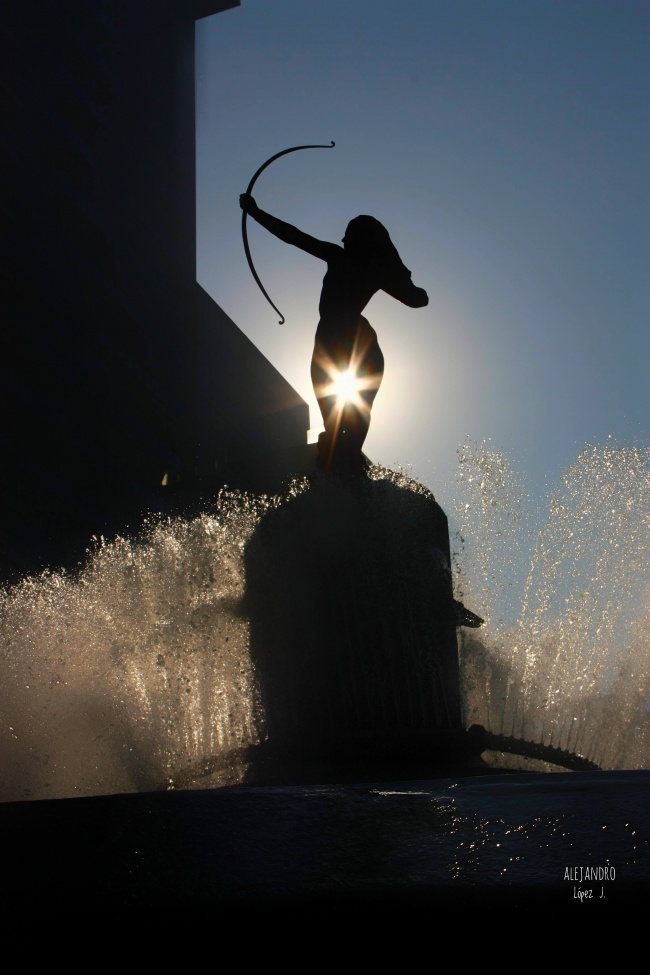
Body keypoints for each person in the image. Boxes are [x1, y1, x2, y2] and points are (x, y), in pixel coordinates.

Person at [240, 194, 429, 473]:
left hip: (347, 338)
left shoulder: (351, 262)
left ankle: (344, 461)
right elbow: (294, 236)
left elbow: (295, 236)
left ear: (359, 241)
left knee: (348, 415)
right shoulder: (366, 267)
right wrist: (257, 213)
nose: (345, 241)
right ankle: (341, 459)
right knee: (341, 417)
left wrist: (256, 213)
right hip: (342, 339)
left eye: (350, 237)